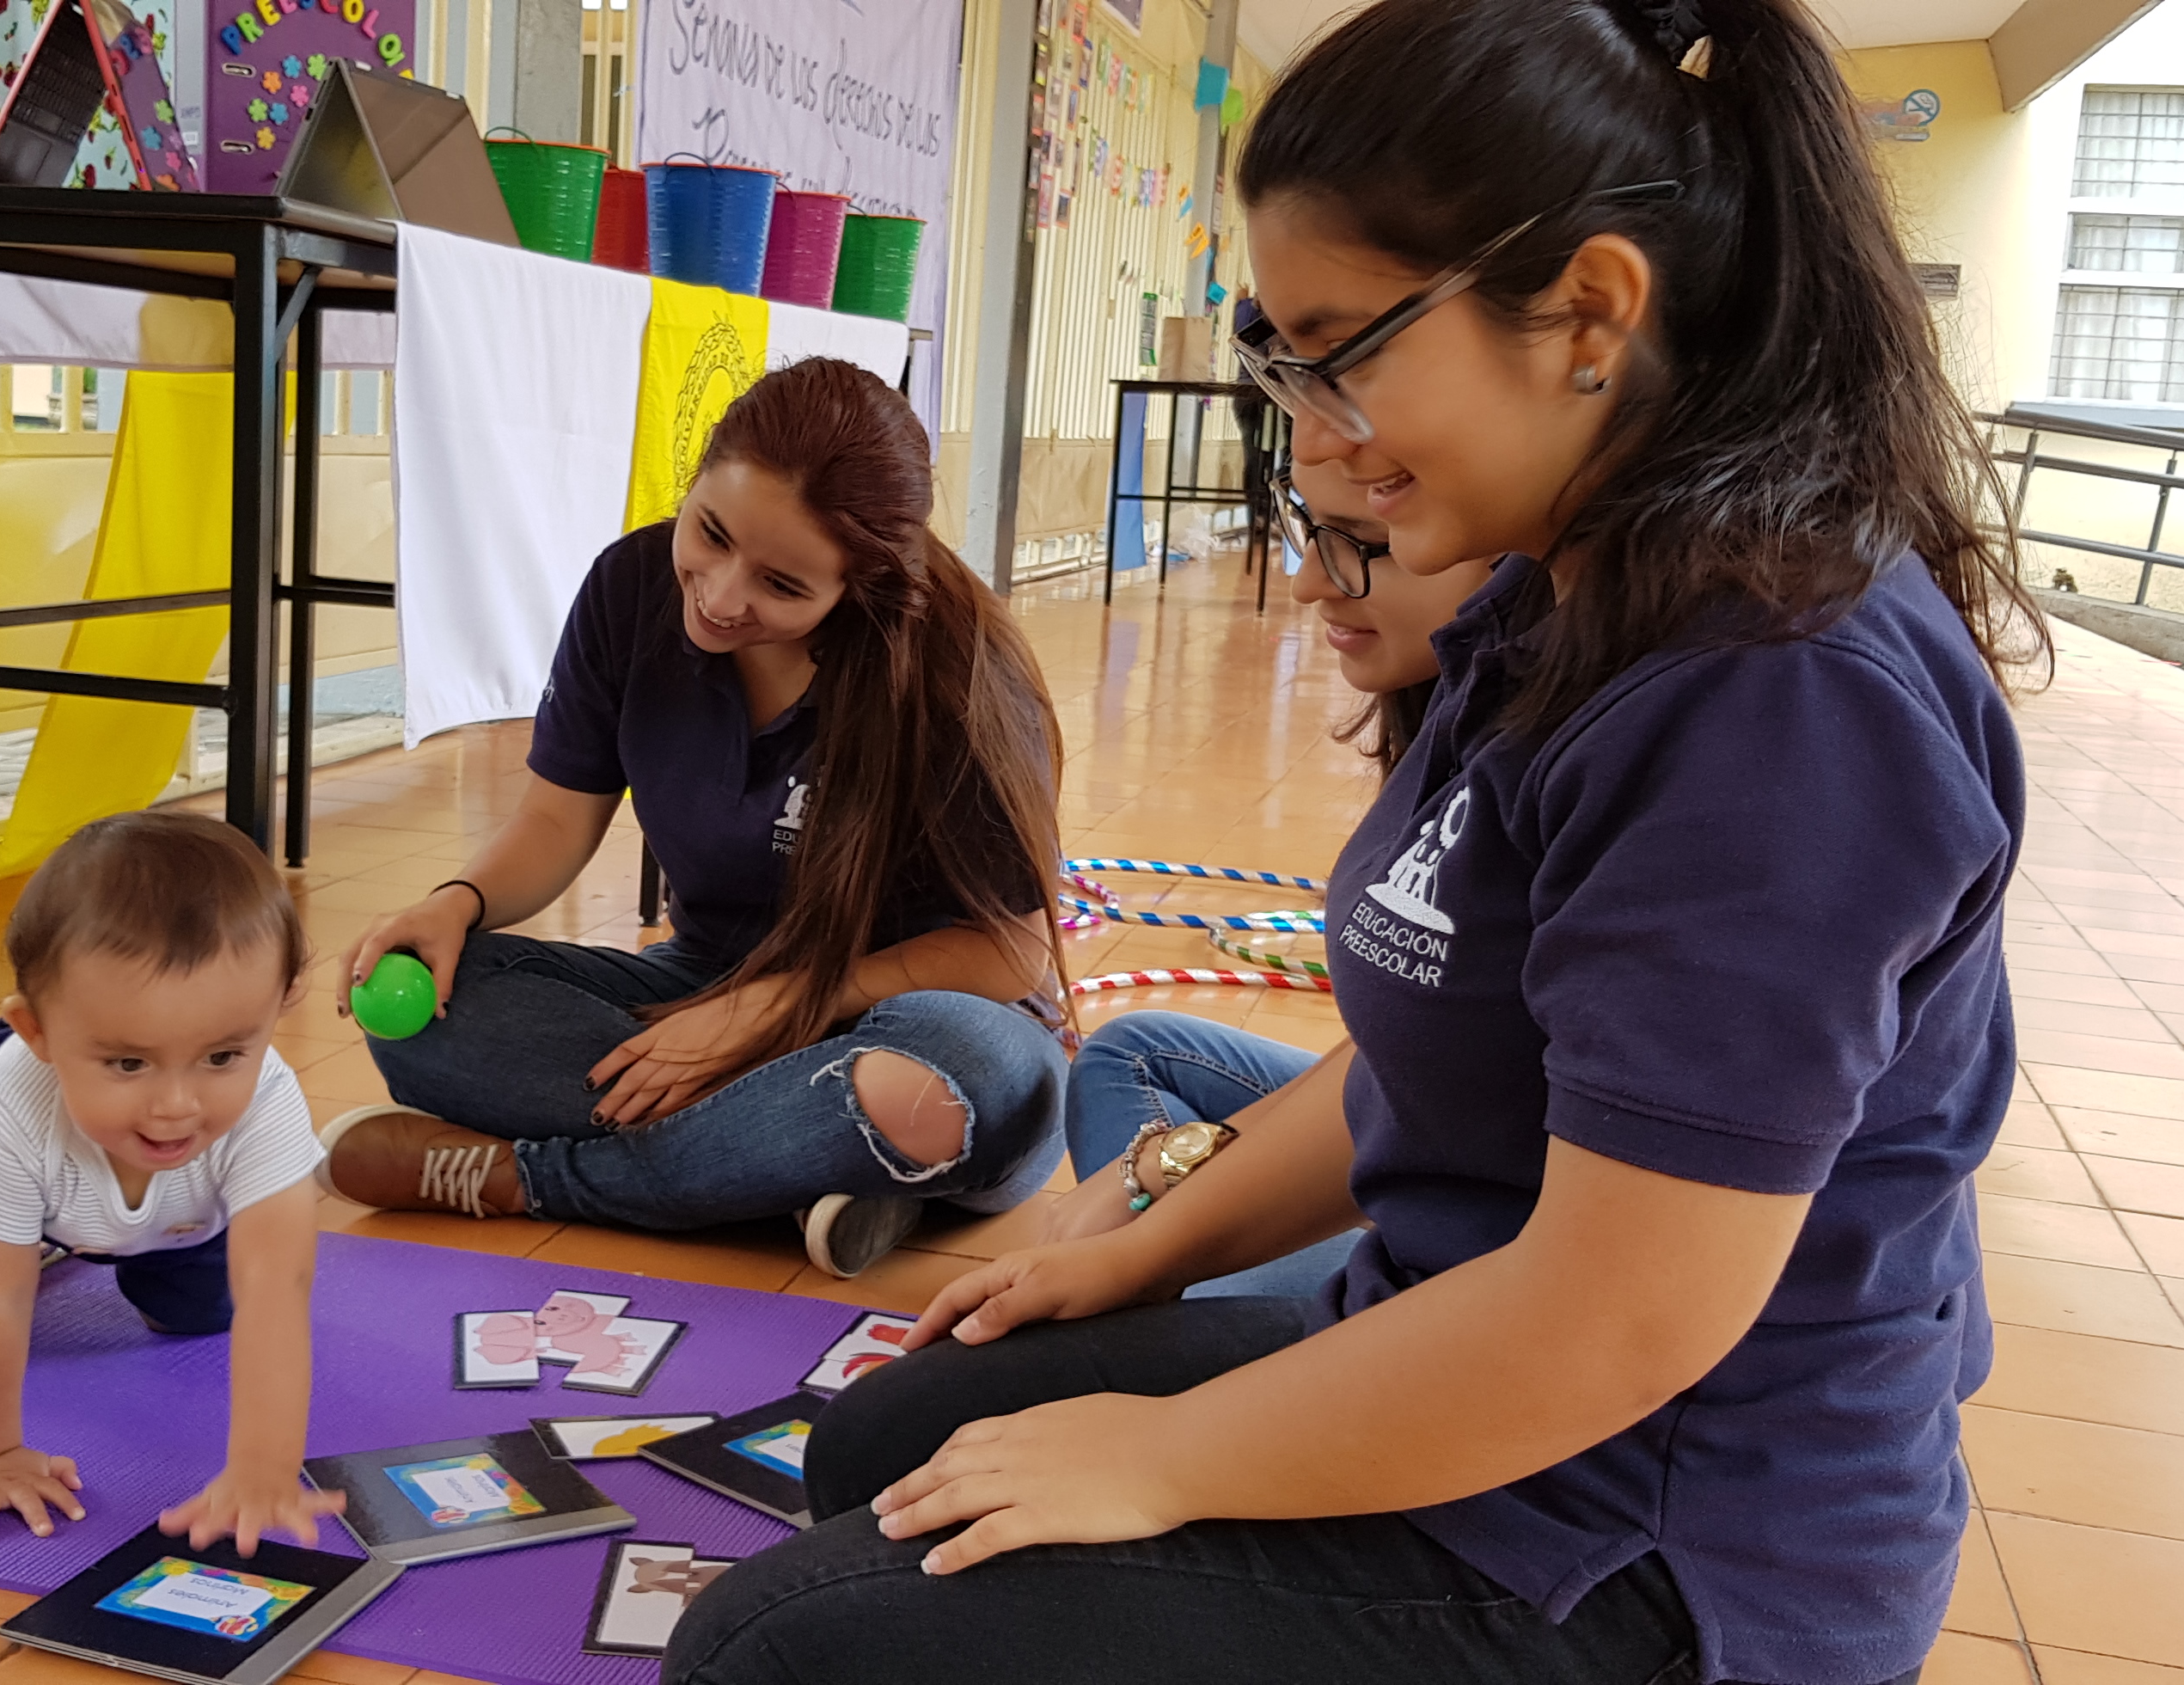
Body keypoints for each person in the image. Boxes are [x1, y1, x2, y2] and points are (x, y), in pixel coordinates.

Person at [669, 0, 2041, 1681]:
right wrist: (1153, 1243)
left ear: (1591, 313)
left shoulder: (1782, 697)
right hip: (1456, 1345)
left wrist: (1163, 1456)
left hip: (1652, 1536)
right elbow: (1443, 1052)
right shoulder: (1559, 596)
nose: (1308, 429)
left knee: (774, 1652)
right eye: (1282, 357)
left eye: (1342, 348)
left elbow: (1620, 1319)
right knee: (882, 1446)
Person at [315, 358, 1070, 1280]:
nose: (718, 595)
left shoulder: (959, 672)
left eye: (782, 587)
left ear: (859, 586)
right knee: (421, 1006)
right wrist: (457, 903)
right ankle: (801, 1166)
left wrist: (774, 1011)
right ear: (698, 477)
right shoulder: (628, 587)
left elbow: (1008, 951)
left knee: (947, 1084)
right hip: (705, 985)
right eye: (709, 533)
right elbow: (555, 822)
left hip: (913, 1017)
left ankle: (535, 1178)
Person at [0, 810, 340, 1555]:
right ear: (40, 1035)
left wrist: (263, 1470)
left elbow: (276, 1290)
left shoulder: (267, 1106)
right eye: (129, 1062)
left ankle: (110, 1188)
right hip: (16, 1139)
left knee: (198, 1316)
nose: (177, 1104)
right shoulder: (12, 1111)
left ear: (277, 1007)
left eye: (223, 1055)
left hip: (179, 1209)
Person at [1048, 519, 1494, 1302]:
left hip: (1472, 1275)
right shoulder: (1454, 705)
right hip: (1430, 1145)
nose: (1307, 583)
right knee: (1132, 1051)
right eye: (1305, 526)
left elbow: (1445, 1100)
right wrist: (1157, 1177)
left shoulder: (1605, 749)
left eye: (1370, 541)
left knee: (912, 1413)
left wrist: (1149, 1232)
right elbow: (1403, 1074)